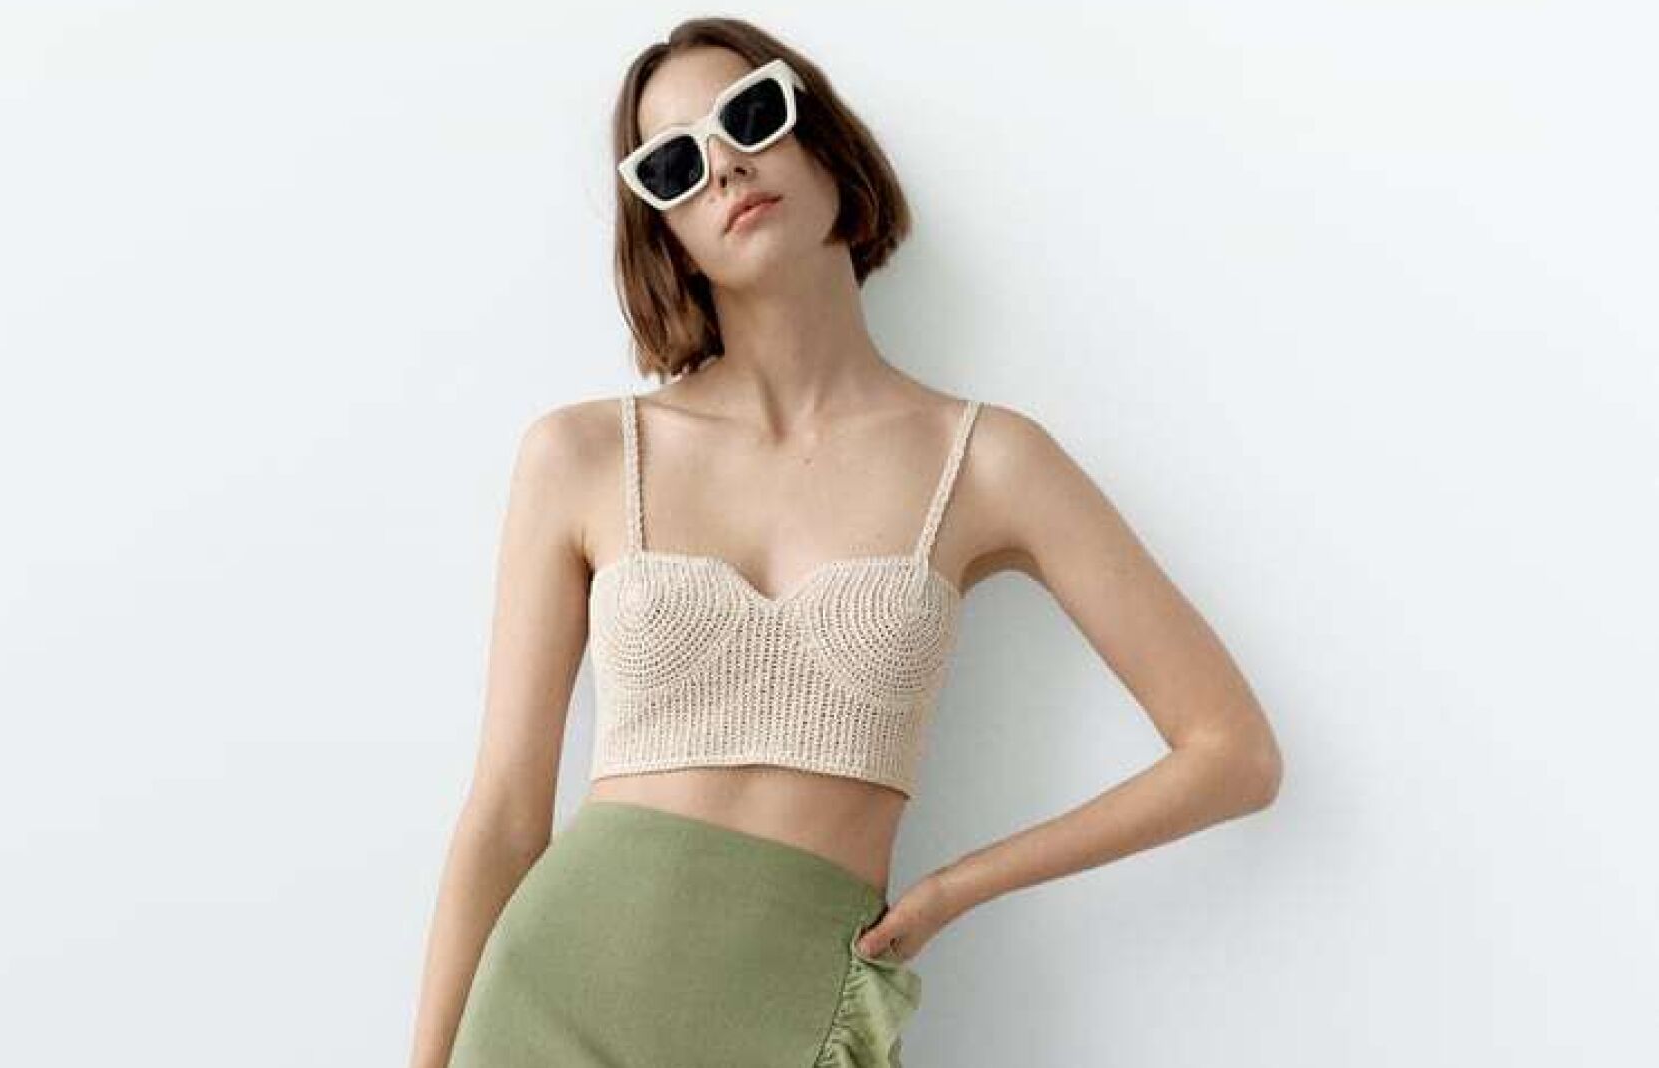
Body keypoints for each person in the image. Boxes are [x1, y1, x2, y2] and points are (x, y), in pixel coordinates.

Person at [411, 17, 1284, 1068]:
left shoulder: (987, 461)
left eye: (750, 118)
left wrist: (958, 888)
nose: (725, 166)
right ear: (665, 233)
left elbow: (1232, 754)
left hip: (799, 1001)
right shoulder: (583, 454)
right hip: (555, 999)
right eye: (675, 165)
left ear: (824, 142)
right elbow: (506, 817)